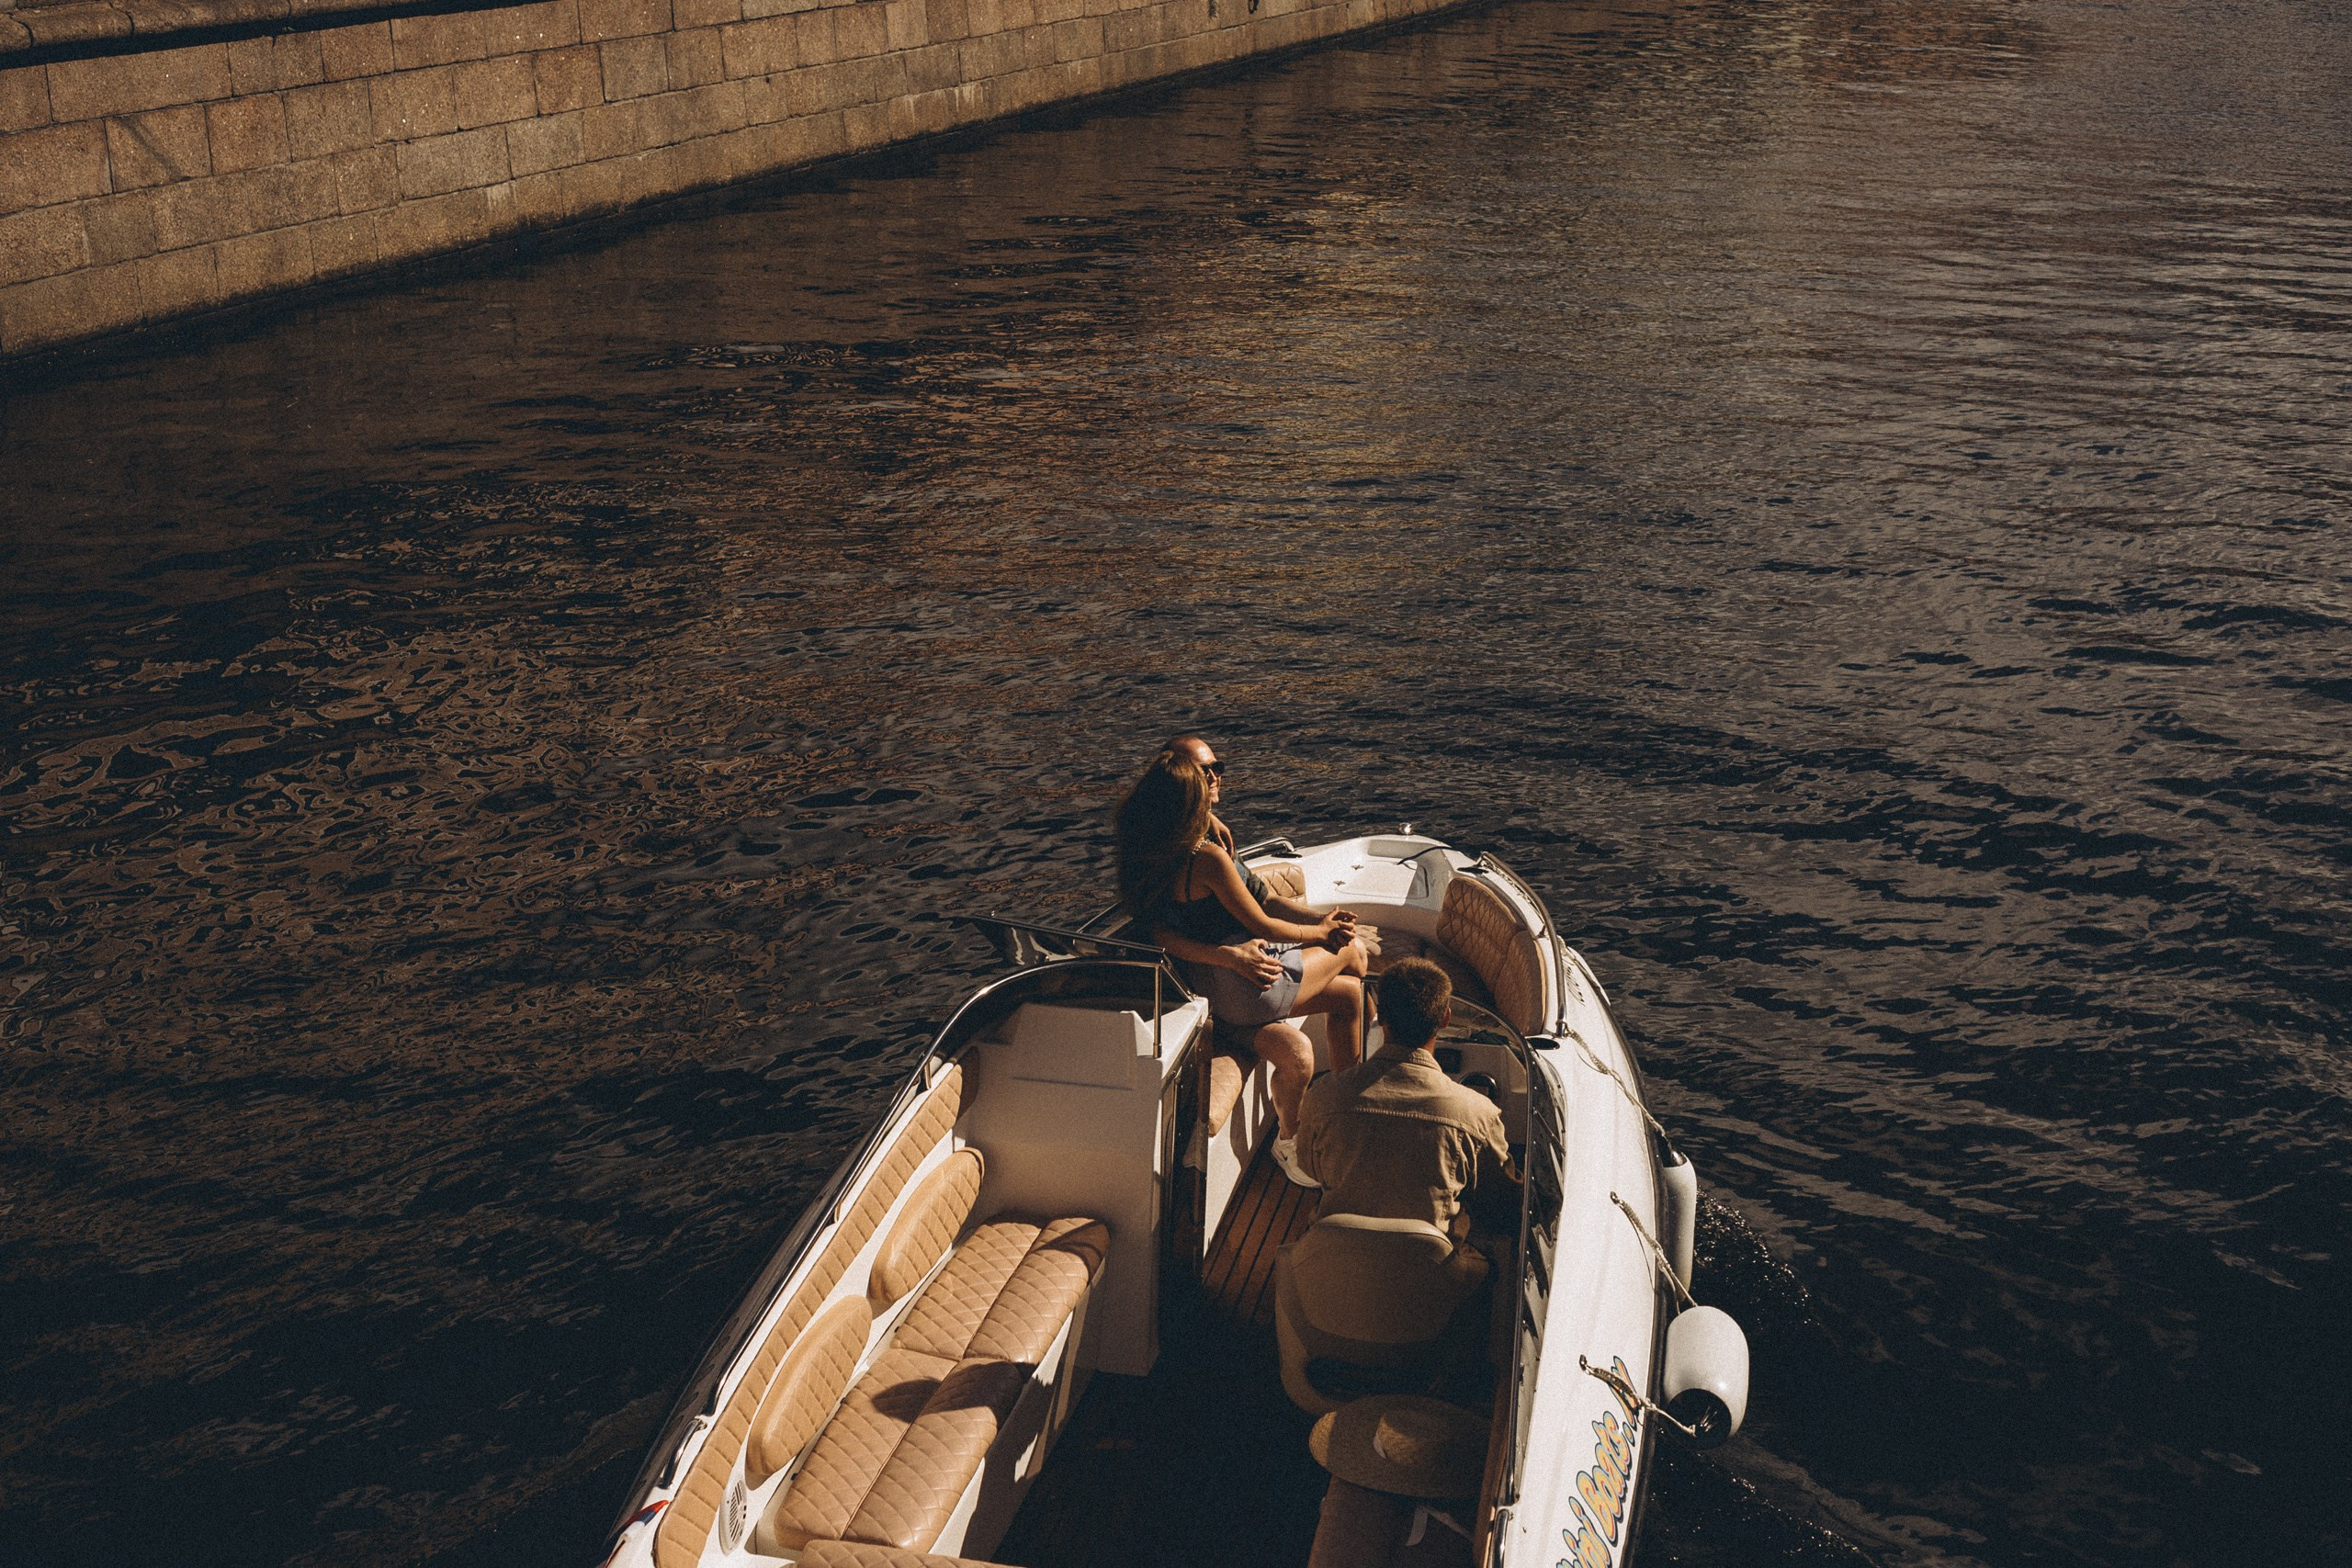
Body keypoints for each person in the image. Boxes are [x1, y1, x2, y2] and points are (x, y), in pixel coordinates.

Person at [1114, 744, 1371, 1187]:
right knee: (1355, 955)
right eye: (1206, 771)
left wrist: (1318, 923)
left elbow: (1160, 929)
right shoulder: (1206, 858)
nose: (1217, 776)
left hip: (1210, 986)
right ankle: (1338, 1109)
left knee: (1349, 996)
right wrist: (1326, 934)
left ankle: (1344, 1110)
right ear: (1188, 789)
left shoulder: (1155, 849)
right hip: (1248, 987)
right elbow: (1263, 922)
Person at [1295, 958, 1519, 1236]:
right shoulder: (1479, 1115)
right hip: (1427, 1269)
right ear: (1445, 1018)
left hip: (1334, 1255)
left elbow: (1308, 1166)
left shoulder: (1324, 1096)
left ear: (1382, 1017)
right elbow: (1499, 1199)